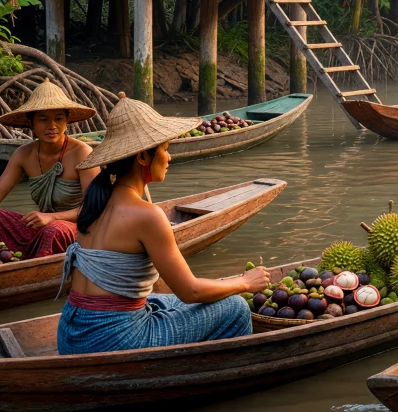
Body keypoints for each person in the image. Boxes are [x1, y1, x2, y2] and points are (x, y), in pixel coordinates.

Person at [56, 95, 267, 355]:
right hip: (113, 340)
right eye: (165, 149)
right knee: (235, 307)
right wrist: (245, 282)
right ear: (143, 157)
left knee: (162, 299)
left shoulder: (94, 201)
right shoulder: (148, 216)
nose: (168, 158)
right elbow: (190, 291)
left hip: (71, 331)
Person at [0, 81, 99, 258]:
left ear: (67, 121)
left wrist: (52, 217)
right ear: (31, 123)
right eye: (43, 119)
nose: (52, 126)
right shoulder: (23, 154)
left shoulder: (82, 153)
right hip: (43, 225)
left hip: (78, 229)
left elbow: (94, 207)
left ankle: (37, 266)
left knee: (53, 230)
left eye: (59, 118)